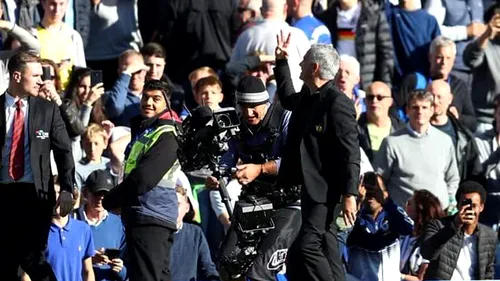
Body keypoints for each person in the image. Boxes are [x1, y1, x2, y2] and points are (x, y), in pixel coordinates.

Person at [274, 33, 360, 281]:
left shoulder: (337, 103)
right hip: (309, 187)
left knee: (308, 245)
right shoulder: (308, 96)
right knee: (328, 244)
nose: (299, 64)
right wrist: (281, 63)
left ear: (314, 67)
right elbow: (288, 100)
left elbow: (350, 151)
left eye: (303, 61)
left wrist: (350, 195)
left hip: (326, 190)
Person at [206, 75, 300, 281]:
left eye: (254, 106)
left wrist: (260, 169)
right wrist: (216, 177)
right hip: (253, 202)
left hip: (289, 204)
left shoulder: (285, 118)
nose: (248, 112)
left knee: (260, 270)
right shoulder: (235, 124)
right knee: (226, 263)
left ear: (266, 102)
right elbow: (225, 162)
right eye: (244, 106)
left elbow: (297, 162)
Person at [0, 51, 75, 280]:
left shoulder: (47, 110)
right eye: (35, 76)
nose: (42, 81)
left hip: (34, 196)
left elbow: (64, 151)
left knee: (34, 258)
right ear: (16, 76)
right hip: (2, 195)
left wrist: (66, 188)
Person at [103, 79, 181, 281]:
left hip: (152, 215)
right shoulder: (147, 130)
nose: (149, 102)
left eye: (156, 99)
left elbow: (143, 179)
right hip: (141, 213)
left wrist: (112, 199)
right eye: (145, 97)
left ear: (167, 104)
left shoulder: (168, 133)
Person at [421, 181, 497, 280]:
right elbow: (427, 253)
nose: (469, 210)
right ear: (457, 205)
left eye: (474, 206)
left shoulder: (490, 235)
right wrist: (454, 225)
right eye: (464, 204)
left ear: (481, 207)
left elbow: (488, 272)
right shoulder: (438, 226)